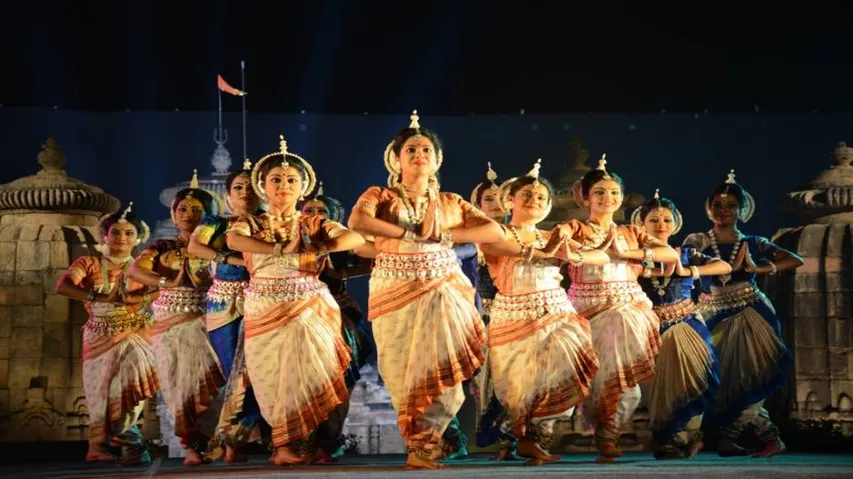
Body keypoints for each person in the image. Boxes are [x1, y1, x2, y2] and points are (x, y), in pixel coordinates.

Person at [347, 110, 503, 469]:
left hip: (442, 288)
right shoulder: (379, 195)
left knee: (446, 374)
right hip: (394, 289)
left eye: (426, 150)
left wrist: (446, 236)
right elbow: (357, 221)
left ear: (436, 159)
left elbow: (493, 232)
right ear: (396, 158)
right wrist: (407, 235)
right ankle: (417, 444)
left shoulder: (450, 202)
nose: (420, 155)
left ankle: (426, 445)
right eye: (412, 150)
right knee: (402, 370)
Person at [226, 135, 365, 465]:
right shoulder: (251, 222)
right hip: (263, 306)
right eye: (275, 179)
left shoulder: (313, 223)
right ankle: (283, 445)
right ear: (263, 186)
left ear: (302, 187)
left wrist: (318, 247)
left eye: (291, 179)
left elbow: (354, 237)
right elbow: (233, 240)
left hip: (309, 307)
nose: (283, 185)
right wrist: (279, 249)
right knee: (270, 377)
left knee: (309, 376)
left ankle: (302, 444)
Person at [480, 159, 602, 465]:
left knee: (562, 372)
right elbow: (497, 248)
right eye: (527, 196)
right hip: (513, 316)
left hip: (555, 312)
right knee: (520, 385)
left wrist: (572, 250)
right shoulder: (497, 234)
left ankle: (537, 438)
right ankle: (521, 437)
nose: (535, 201)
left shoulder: (552, 236)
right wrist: (554, 251)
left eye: (541, 198)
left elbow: (597, 258)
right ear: (510, 200)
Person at [558, 156, 678, 463]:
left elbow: (667, 252)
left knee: (623, 381)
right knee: (589, 378)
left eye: (613, 192)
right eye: (599, 192)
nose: (607, 198)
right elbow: (556, 249)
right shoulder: (574, 227)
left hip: (626, 311)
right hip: (585, 310)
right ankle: (593, 433)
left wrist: (630, 253)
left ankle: (608, 435)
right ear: (585, 197)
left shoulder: (630, 232)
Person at [683, 170, 803, 458]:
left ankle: (760, 437)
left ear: (742, 209)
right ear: (708, 208)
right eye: (717, 205)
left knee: (751, 377)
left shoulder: (754, 242)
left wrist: (757, 269)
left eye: (730, 206)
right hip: (710, 311)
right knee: (707, 377)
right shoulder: (697, 240)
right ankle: (701, 437)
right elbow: (684, 263)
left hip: (751, 312)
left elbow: (795, 259)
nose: (723, 210)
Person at [129, 172, 225, 466]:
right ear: (173, 213)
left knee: (215, 384)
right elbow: (135, 271)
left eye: (197, 210)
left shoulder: (219, 247)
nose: (188, 214)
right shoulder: (161, 247)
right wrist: (165, 284)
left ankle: (212, 442)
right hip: (170, 325)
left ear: (209, 216)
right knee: (178, 387)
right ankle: (191, 447)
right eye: (182, 209)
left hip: (211, 320)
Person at [55, 203, 159, 465]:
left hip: (134, 333)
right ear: (105, 235)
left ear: (138, 237)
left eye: (128, 233)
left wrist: (136, 299)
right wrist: (96, 295)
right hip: (97, 336)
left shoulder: (143, 267)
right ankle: (101, 447)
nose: (122, 239)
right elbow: (63, 286)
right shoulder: (87, 263)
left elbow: (162, 289)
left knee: (131, 386)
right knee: (98, 394)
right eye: (116, 232)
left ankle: (130, 441)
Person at [632, 190, 729, 459]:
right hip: (649, 326)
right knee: (659, 388)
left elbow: (723, 266)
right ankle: (665, 440)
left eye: (666, 219)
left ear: (676, 223)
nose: (661, 225)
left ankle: (692, 436)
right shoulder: (635, 256)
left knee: (696, 378)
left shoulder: (685, 253)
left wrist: (691, 271)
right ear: (641, 223)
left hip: (686, 321)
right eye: (653, 220)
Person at [187, 160, 265, 462]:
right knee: (236, 373)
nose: (245, 192)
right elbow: (196, 248)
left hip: (264, 301)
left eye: (251, 187)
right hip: (225, 305)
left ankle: (235, 439)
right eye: (238, 187)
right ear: (228, 195)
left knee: (260, 372)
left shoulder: (269, 222)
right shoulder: (216, 223)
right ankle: (231, 439)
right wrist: (232, 260)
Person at [301, 182, 374, 461]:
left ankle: (327, 441)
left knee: (338, 377)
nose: (315, 214)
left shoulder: (343, 241)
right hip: (296, 313)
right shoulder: (289, 238)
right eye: (309, 210)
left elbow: (373, 258)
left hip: (338, 315)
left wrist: (338, 269)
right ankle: (300, 440)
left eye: (322, 210)